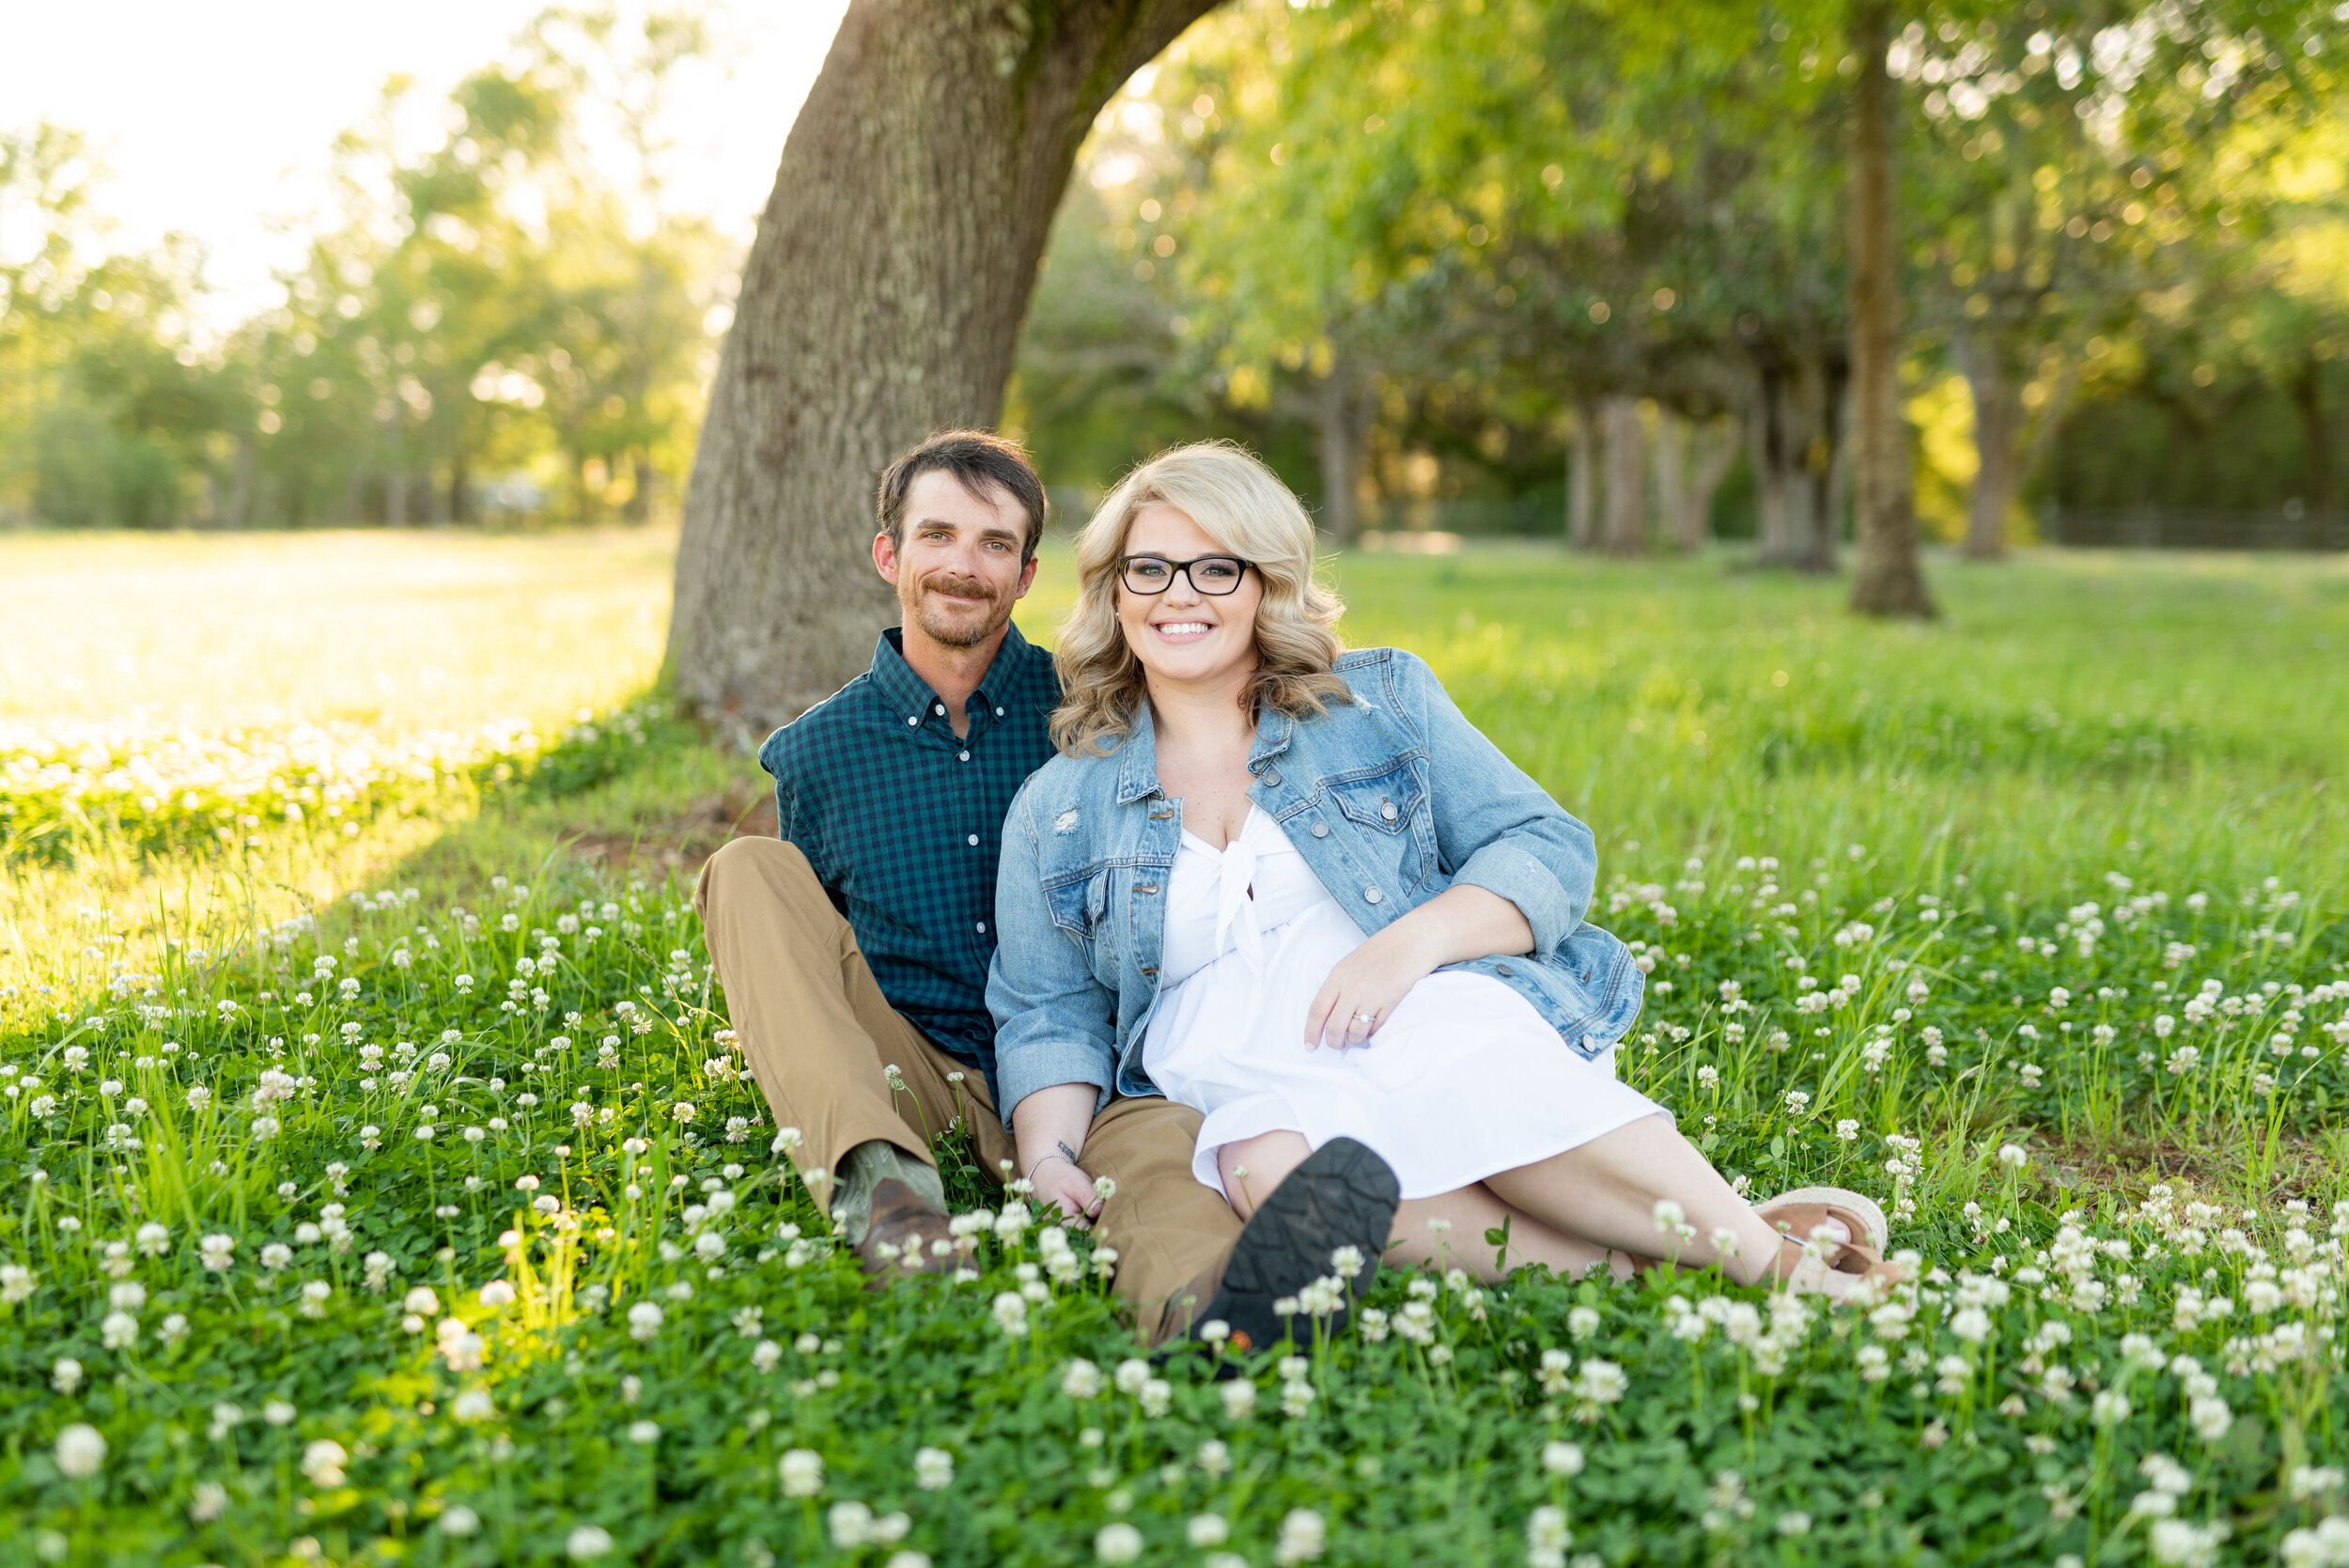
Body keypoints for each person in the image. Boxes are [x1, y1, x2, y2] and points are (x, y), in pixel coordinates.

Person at [988, 442, 1900, 1297]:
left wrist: (1414, 943)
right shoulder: (1060, 804)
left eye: (1216, 567)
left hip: (1404, 1000)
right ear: (1114, 592)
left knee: (1468, 1068)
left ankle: (1784, 1276)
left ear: (1266, 583)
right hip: (1230, 1062)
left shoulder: (1377, 701)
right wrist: (1048, 1157)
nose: (1177, 595)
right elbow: (1046, 1011)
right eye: (1148, 569)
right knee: (1271, 1174)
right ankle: (1708, 1262)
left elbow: (1544, 849)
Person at [695, 428, 1401, 1347]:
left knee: (1155, 1172)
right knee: (747, 868)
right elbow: (811, 954)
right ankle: (888, 1203)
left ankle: (1221, 1313)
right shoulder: (815, 752)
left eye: (995, 544)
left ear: (1027, 574)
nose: (963, 565)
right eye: (937, 535)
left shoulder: (1101, 708)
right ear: (889, 554)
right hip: (912, 1066)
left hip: (1092, 1074)